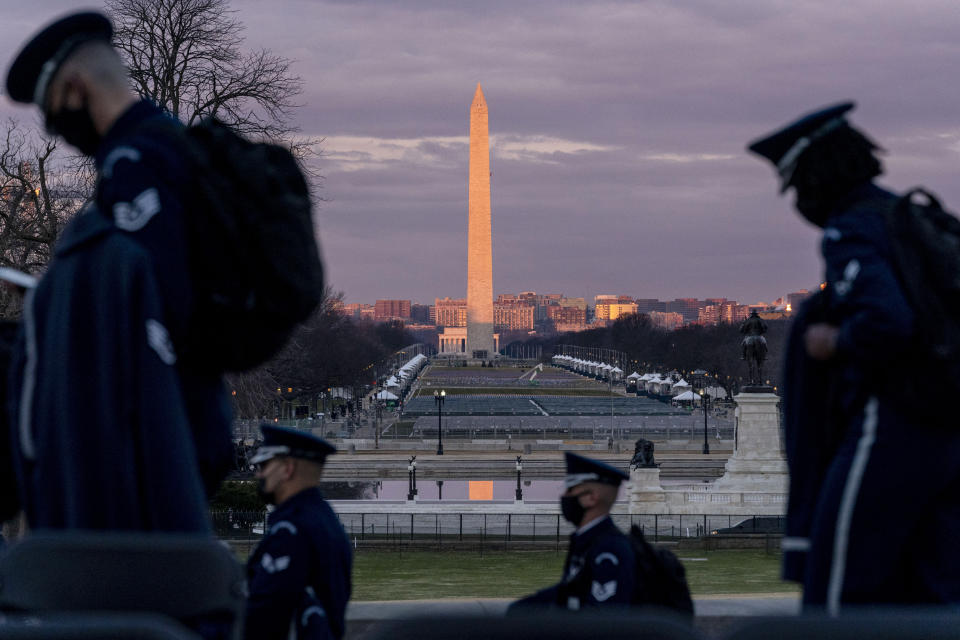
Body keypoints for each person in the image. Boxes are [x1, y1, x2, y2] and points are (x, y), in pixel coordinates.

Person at [3, 11, 232, 531]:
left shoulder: (140, 167)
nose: (56, 131)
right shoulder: (168, 150)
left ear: (76, 87)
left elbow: (147, 317)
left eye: (53, 112)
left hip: (147, 456)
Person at [748, 102, 960, 613]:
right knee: (931, 583)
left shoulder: (852, 228)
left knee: (838, 580)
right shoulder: (908, 218)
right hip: (945, 419)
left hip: (889, 418)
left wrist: (832, 343)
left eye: (798, 184)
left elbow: (888, 321)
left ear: (820, 173)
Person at [245, 424, 351, 640]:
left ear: (287, 468)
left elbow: (262, 614)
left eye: (264, 465)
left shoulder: (291, 531)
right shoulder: (324, 520)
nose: (260, 474)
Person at [510, 452, 635, 612]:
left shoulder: (609, 551)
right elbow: (569, 590)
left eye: (570, 489)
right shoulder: (588, 541)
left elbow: (603, 621)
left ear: (591, 498)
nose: (564, 496)